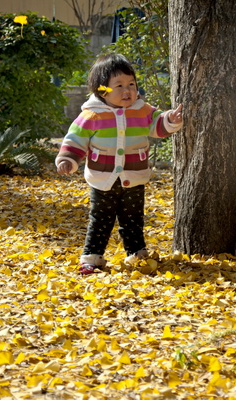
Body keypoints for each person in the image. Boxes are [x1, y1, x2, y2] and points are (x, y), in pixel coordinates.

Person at [56, 54, 183, 275]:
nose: (128, 91)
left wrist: (170, 119)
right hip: (102, 178)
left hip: (134, 176)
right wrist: (68, 159)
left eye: (131, 84)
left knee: (133, 218)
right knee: (100, 220)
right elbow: (75, 139)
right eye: (120, 86)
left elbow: (157, 124)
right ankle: (92, 257)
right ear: (102, 90)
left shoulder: (142, 110)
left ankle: (137, 253)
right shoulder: (91, 114)